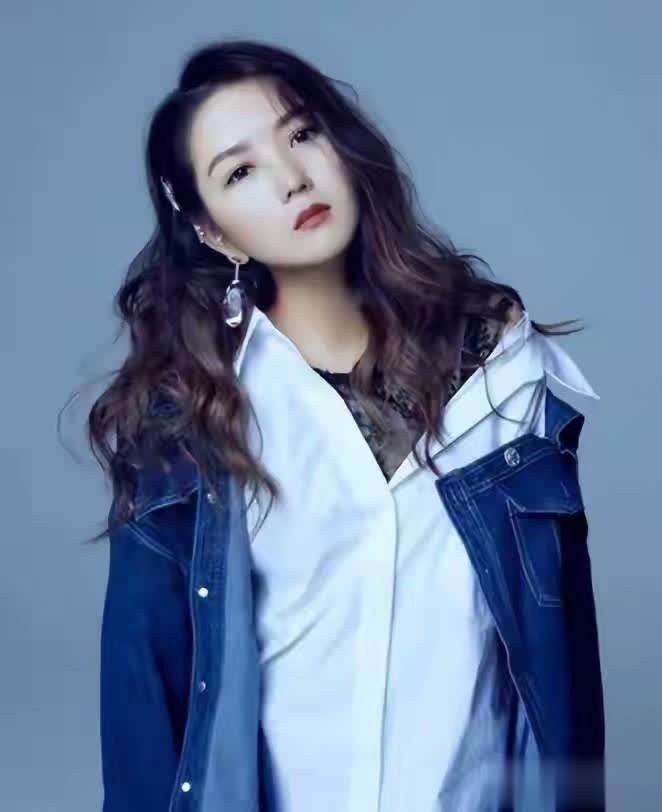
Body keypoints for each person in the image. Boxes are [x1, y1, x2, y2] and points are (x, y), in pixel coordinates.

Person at [88, 38, 605, 812]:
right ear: (215, 232)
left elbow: (564, 677)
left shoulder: (500, 377)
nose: (292, 178)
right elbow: (144, 713)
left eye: (301, 134)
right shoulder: (190, 425)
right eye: (241, 172)